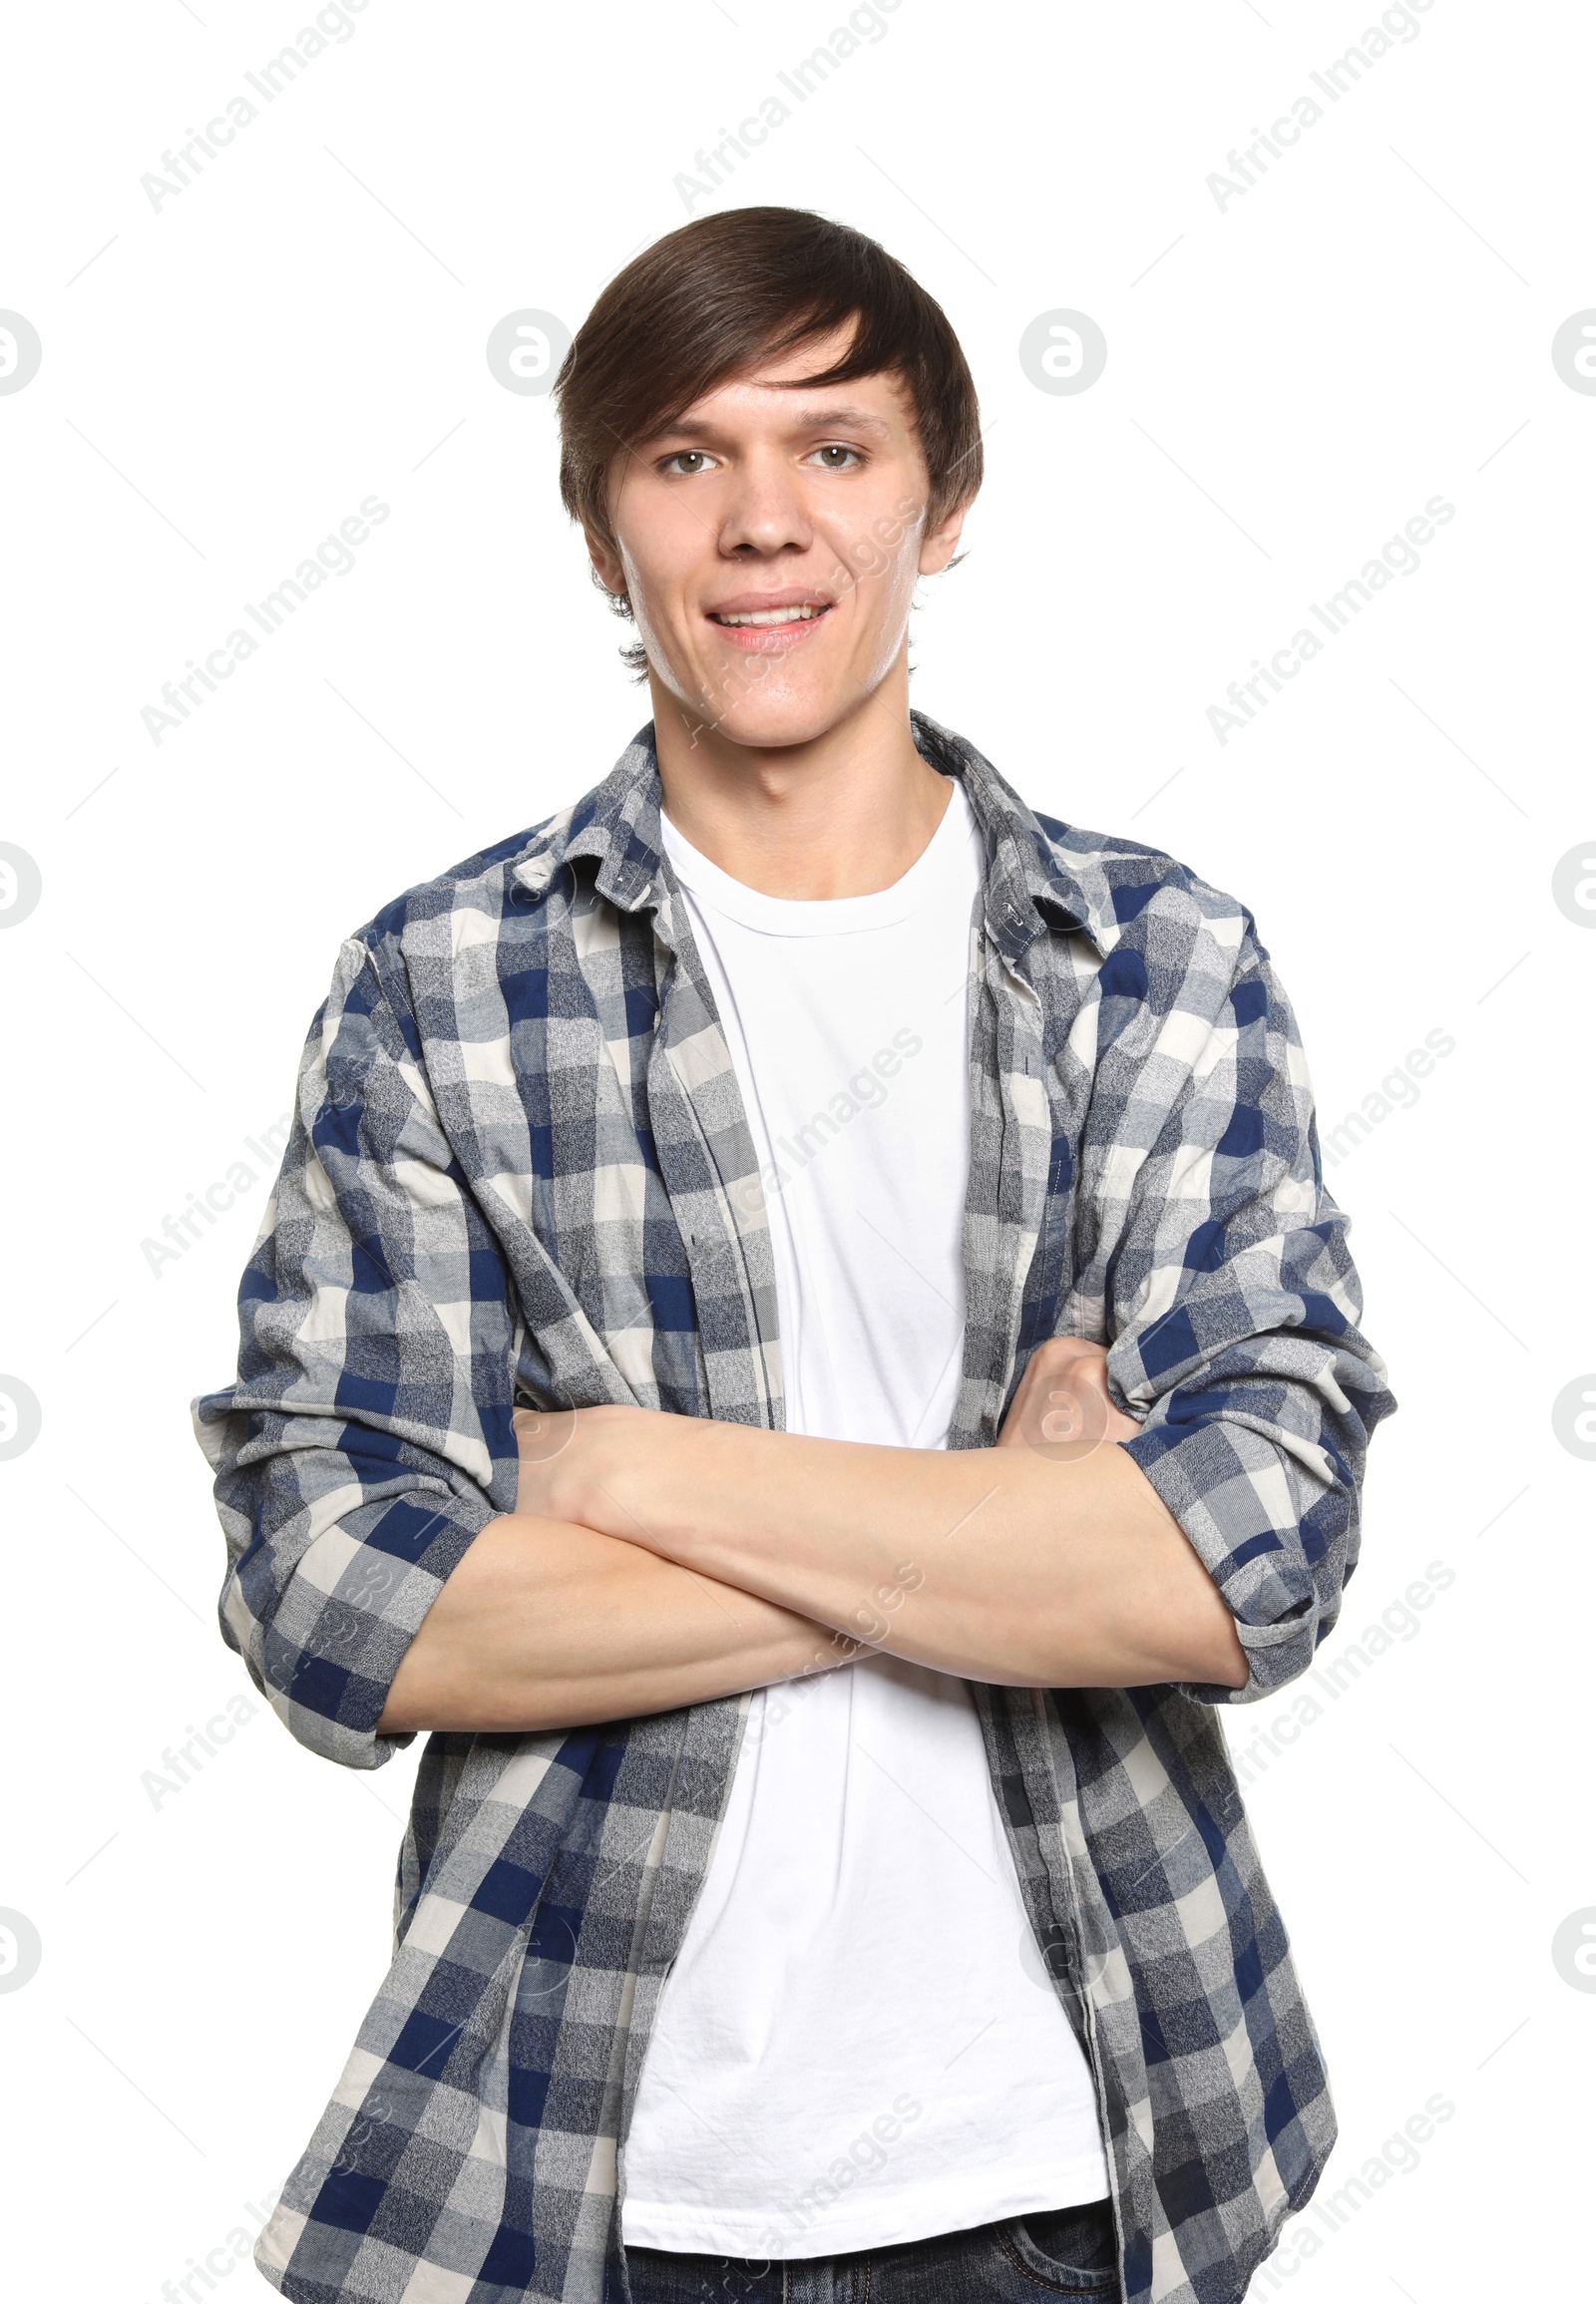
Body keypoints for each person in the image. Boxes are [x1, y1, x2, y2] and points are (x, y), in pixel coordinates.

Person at [196, 205, 1396, 2304]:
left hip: (1070, 2158)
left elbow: (1247, 1560)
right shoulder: (439, 986)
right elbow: (334, 1611)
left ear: (941, 504)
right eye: (685, 457)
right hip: (577, 2177)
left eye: (832, 450)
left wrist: (625, 1477)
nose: (762, 521)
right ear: (599, 533)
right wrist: (1015, 1544)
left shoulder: (1153, 964)